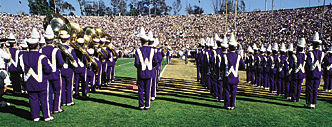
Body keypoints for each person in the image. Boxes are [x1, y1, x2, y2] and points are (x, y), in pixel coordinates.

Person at [17, 28, 53, 121]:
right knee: (44, 100)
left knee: (33, 99)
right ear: (37, 46)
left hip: (28, 81)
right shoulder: (42, 57)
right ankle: (46, 116)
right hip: (41, 81)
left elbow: (19, 69)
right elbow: (48, 70)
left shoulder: (22, 56)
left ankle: (35, 116)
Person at [39, 25, 65, 113]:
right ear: (53, 40)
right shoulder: (56, 50)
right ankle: (56, 108)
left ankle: (49, 108)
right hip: (55, 73)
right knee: (57, 91)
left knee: (48, 92)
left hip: (45, 74)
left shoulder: (40, 50)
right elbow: (61, 63)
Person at [134, 27, 158, 110]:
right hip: (149, 72)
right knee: (148, 90)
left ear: (141, 41)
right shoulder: (152, 50)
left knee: (140, 90)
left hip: (141, 72)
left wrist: (140, 68)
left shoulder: (137, 50)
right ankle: (147, 105)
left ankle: (141, 105)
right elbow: (156, 61)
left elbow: (136, 63)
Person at [222, 33, 245, 110]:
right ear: (235, 48)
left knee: (227, 92)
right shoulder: (239, 57)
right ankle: (232, 105)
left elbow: (222, 66)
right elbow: (243, 66)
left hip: (227, 77)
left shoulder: (225, 56)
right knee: (233, 92)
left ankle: (227, 105)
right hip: (235, 77)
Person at [59, 30, 78, 106]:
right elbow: (75, 60)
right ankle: (69, 101)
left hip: (61, 69)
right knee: (69, 86)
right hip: (69, 70)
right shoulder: (70, 49)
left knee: (62, 86)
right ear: (68, 40)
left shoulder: (57, 48)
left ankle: (63, 101)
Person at [305, 32, 325, 109]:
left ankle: (309, 103)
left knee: (310, 88)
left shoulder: (310, 53)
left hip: (311, 73)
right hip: (319, 73)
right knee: (315, 89)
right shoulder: (322, 53)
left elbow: (308, 64)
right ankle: (314, 103)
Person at [291, 38, 306, 102]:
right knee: (299, 86)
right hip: (302, 73)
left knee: (294, 86)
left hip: (295, 72)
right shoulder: (305, 56)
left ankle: (294, 98)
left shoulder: (294, 56)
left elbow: (291, 65)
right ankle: (298, 98)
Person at [215, 34, 228, 102]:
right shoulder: (228, 55)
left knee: (220, 85)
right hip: (228, 73)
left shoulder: (219, 55)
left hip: (220, 72)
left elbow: (217, 65)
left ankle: (220, 97)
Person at [0, 39, 11, 108]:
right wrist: (7, 49)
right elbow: (9, 57)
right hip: (1, 70)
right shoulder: (0, 51)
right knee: (4, 87)